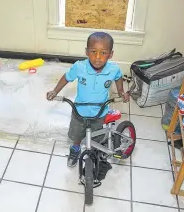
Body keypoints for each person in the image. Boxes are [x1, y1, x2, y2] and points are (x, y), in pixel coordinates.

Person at [46, 32, 129, 167]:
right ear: (86, 52)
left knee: (97, 136)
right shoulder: (80, 67)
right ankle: (75, 149)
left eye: (103, 53)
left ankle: (95, 151)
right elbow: (67, 77)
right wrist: (55, 91)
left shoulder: (113, 69)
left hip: (100, 112)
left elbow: (118, 77)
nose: (97, 57)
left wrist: (121, 91)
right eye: (93, 52)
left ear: (110, 54)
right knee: (77, 134)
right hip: (79, 111)